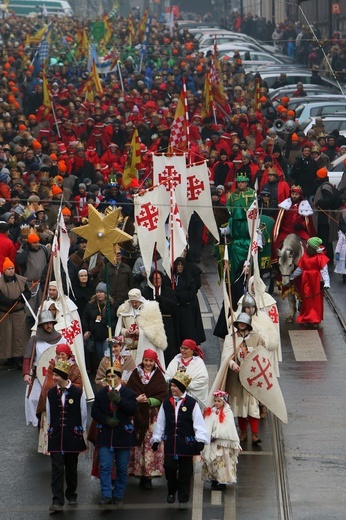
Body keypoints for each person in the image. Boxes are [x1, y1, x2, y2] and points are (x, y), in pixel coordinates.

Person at [151, 371, 209, 511]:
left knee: (185, 471)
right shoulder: (166, 403)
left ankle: (183, 498)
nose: (172, 388)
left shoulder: (191, 403)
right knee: (169, 467)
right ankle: (172, 489)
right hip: (171, 442)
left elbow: (199, 423)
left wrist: (200, 439)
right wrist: (156, 439)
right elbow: (161, 422)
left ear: (182, 387)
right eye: (171, 386)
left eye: (175, 386)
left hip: (186, 444)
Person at [209, 313, 266, 444]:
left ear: (248, 325)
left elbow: (263, 357)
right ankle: (244, 432)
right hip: (236, 379)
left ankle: (255, 435)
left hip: (252, 379)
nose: (241, 325)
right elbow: (225, 358)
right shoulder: (231, 339)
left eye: (243, 323)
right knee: (240, 408)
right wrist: (233, 364)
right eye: (239, 323)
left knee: (253, 408)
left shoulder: (257, 339)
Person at [91, 360, 138, 507]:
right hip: (105, 435)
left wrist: (120, 401)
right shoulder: (101, 394)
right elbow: (95, 411)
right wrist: (106, 420)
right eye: (108, 376)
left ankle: (118, 494)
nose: (111, 379)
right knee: (105, 466)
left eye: (114, 376)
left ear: (119, 377)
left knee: (122, 467)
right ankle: (106, 494)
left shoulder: (128, 393)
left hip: (123, 436)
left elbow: (133, 409)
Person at [46, 359, 87, 513]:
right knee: (56, 468)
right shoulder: (51, 392)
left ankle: (71, 494)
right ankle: (57, 501)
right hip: (56, 435)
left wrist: (81, 431)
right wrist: (50, 430)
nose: (54, 378)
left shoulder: (77, 392)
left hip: (72, 435)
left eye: (56, 375)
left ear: (63, 376)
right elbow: (50, 413)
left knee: (71, 467)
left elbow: (83, 413)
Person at [127, 349, 168, 489]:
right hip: (137, 414)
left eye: (151, 361)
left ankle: (149, 476)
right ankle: (138, 473)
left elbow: (162, 394)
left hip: (152, 416)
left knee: (150, 444)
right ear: (142, 360)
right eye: (146, 360)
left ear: (154, 362)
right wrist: (137, 399)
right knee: (137, 444)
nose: (148, 363)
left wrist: (150, 401)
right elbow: (129, 391)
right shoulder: (135, 374)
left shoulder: (158, 376)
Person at [37, 343, 83, 454]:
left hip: (69, 403)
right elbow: (48, 382)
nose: (60, 357)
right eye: (58, 354)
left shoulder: (74, 367)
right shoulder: (53, 364)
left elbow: (78, 384)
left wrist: (68, 386)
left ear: (67, 355)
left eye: (62, 354)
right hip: (55, 401)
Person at [23, 310, 62, 427]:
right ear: (40, 325)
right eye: (46, 323)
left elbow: (69, 358)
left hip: (58, 378)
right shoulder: (35, 340)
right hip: (39, 377)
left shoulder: (61, 338)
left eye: (50, 323)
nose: (49, 325)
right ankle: (40, 426)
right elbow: (27, 359)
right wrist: (26, 373)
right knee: (34, 401)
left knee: (58, 403)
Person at [115, 288, 167, 368]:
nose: (134, 304)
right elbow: (119, 329)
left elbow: (154, 329)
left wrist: (141, 332)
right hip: (128, 350)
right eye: (132, 302)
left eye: (136, 302)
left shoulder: (150, 309)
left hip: (144, 349)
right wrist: (126, 331)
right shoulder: (124, 310)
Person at [201, 390, 241, 490]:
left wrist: (216, 434)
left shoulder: (228, 412)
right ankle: (214, 479)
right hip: (213, 443)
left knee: (222, 463)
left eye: (219, 401)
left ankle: (222, 481)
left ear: (224, 402)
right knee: (213, 462)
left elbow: (228, 427)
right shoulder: (212, 411)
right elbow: (207, 424)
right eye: (215, 401)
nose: (216, 403)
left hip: (223, 445)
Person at [290, 237, 330, 327]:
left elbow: (324, 271)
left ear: (311, 247)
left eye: (308, 244)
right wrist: (292, 277)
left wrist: (327, 282)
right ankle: (307, 318)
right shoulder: (305, 256)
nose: (306, 245)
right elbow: (301, 268)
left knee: (316, 300)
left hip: (316, 281)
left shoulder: (321, 257)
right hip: (307, 280)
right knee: (307, 299)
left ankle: (315, 319)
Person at [142, 270, 178, 365]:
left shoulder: (169, 291)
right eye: (154, 279)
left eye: (158, 278)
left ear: (162, 279)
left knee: (168, 346)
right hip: (152, 322)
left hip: (166, 321)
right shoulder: (146, 291)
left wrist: (163, 300)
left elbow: (174, 304)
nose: (156, 280)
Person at [0, 257, 31, 368]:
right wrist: (11, 302)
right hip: (5, 313)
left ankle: (19, 358)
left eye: (12, 268)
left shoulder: (21, 280)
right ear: (4, 270)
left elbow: (28, 293)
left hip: (18, 313)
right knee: (7, 337)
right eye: (8, 269)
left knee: (19, 336)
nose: (11, 271)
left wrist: (22, 299)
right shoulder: (0, 283)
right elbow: (1, 298)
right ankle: (10, 358)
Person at [82, 282, 116, 370]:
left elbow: (115, 319)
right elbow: (85, 318)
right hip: (95, 335)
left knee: (107, 355)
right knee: (99, 355)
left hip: (107, 335)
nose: (98, 294)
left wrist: (109, 326)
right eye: (97, 292)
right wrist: (86, 330)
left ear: (106, 293)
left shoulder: (112, 305)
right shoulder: (91, 305)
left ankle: (108, 371)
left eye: (101, 292)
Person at [165, 338, 209, 407]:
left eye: (185, 349)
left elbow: (203, 380)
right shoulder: (175, 360)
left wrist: (185, 384)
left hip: (191, 397)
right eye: (182, 348)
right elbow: (167, 376)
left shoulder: (198, 362)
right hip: (175, 396)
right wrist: (173, 383)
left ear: (192, 351)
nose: (182, 350)